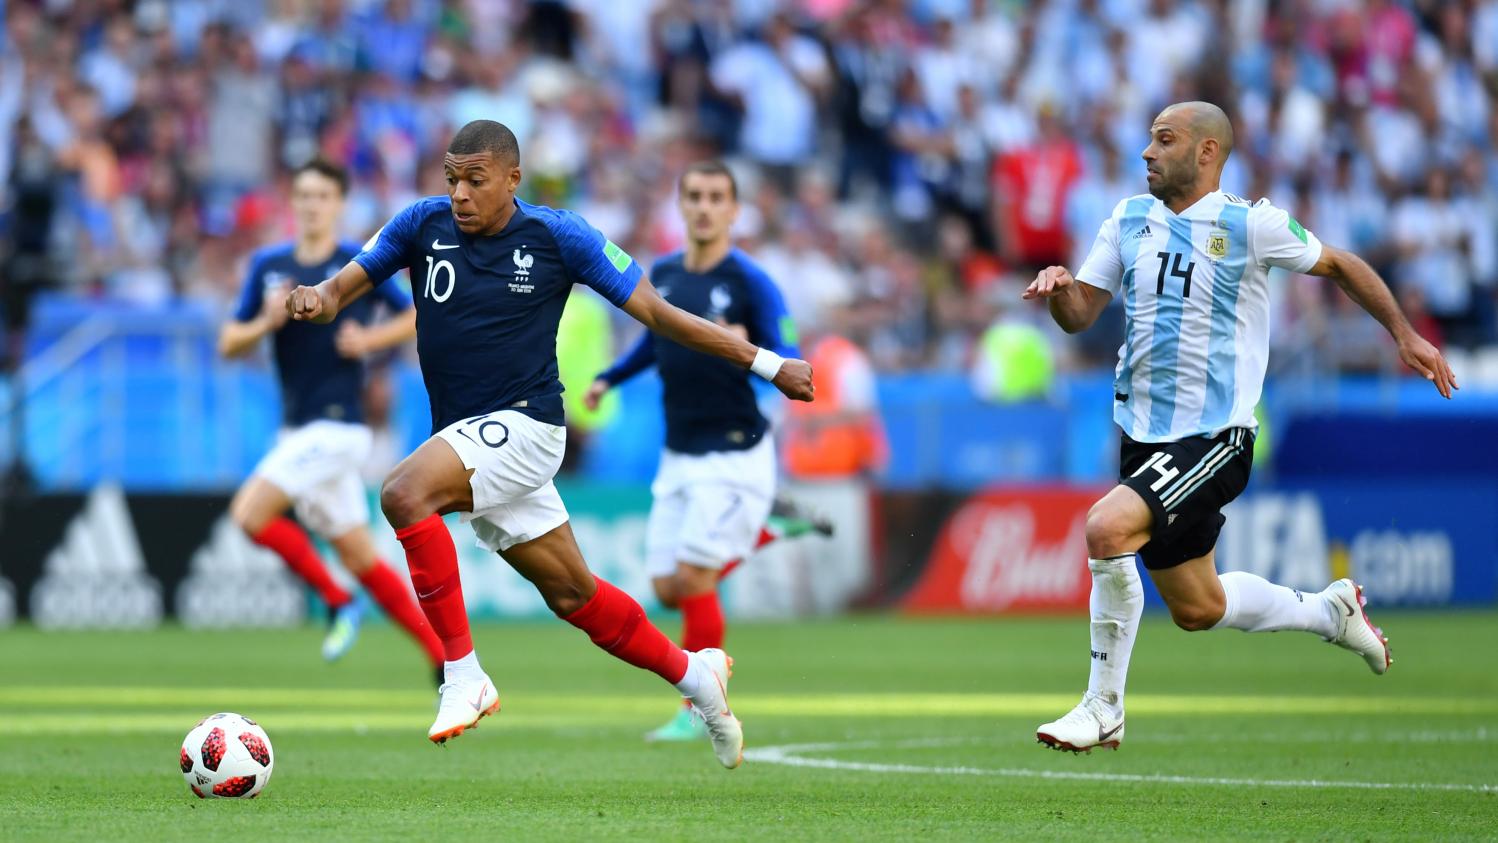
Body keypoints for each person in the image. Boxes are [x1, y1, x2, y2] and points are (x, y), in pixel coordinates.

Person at [284, 121, 815, 770]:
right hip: (468, 436)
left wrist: (766, 362)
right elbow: (342, 288)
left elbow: (659, 316)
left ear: (513, 179)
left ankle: (463, 674)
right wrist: (316, 297)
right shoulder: (419, 225)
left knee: (402, 492)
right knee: (575, 596)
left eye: (475, 180)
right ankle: (698, 678)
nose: (460, 194)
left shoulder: (561, 236)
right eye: (452, 178)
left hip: (529, 426)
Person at [1022, 102, 1457, 753]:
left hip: (1215, 436)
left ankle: (1103, 705)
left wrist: (1404, 334)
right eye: (1147, 139)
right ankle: (1329, 611)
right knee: (1199, 606)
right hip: (1143, 439)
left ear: (1206, 153)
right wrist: (1061, 287)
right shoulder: (1127, 219)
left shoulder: (1249, 224)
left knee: (1107, 528)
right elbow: (1081, 313)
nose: (1147, 152)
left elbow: (1340, 263)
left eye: (1163, 140)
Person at [583, 160, 828, 743]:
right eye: (693, 196)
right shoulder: (662, 273)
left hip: (735, 451)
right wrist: (610, 378)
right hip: (680, 452)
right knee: (669, 586)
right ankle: (772, 527)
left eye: (716, 197)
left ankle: (699, 710)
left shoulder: (751, 281)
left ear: (734, 210)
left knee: (696, 576)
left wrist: (752, 345)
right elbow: (653, 339)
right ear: (681, 204)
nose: (703, 207)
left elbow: (789, 353)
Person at [219, 159, 443, 682]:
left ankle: (338, 601)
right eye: (302, 195)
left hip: (340, 426)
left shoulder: (354, 264)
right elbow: (228, 343)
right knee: (362, 555)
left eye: (321, 195)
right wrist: (264, 322)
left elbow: (417, 314)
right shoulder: (269, 265)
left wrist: (369, 340)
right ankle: (443, 657)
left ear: (339, 203)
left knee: (249, 514)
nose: (311, 204)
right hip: (296, 429)